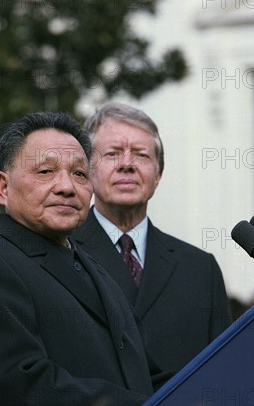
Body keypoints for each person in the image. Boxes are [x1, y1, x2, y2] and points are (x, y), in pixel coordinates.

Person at [0, 112, 164, 406]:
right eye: (45, 171)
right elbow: (25, 393)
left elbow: (142, 375)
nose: (66, 187)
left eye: (79, 173)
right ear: (3, 187)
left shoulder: (92, 266)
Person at [73, 102, 232, 372]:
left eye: (141, 155)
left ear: (158, 174)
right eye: (112, 154)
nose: (127, 164)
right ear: (87, 171)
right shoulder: (61, 252)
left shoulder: (200, 268)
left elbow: (225, 369)